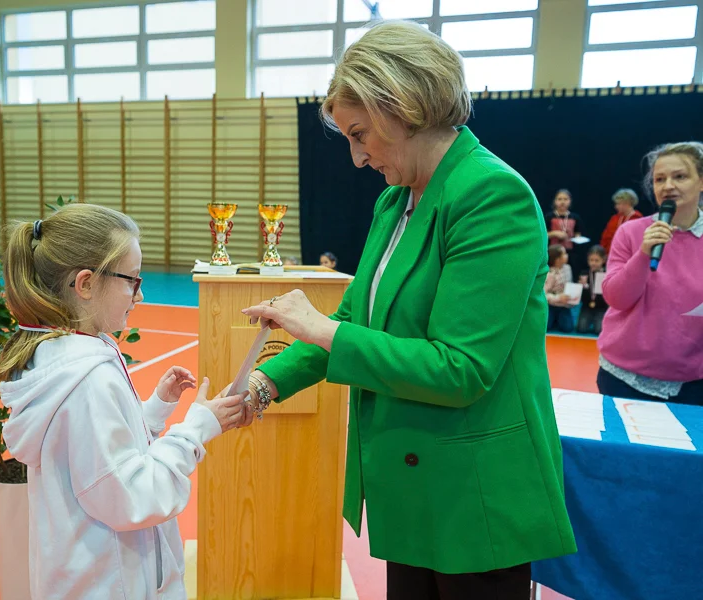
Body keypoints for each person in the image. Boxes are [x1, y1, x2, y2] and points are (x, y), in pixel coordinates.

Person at [239, 22, 575, 600]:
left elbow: (461, 367)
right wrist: (265, 382)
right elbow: (353, 322)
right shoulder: (396, 200)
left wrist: (322, 329)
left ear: (403, 107)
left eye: (360, 133)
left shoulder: (490, 195)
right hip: (412, 481)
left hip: (473, 494)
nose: (356, 156)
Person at [0, 203, 252, 599]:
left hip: (90, 576)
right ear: (85, 284)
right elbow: (132, 497)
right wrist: (198, 427)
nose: (141, 293)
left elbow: (95, 457)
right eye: (132, 279)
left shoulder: (67, 356)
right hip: (112, 584)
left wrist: (153, 411)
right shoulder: (88, 379)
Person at [597, 142, 703, 404]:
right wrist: (644, 253)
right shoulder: (632, 232)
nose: (668, 185)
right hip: (623, 378)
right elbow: (616, 298)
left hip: (692, 382)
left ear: (701, 182)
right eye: (659, 179)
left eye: (680, 176)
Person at [545, 189, 586, 274]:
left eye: (565, 199)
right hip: (553, 253)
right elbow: (543, 234)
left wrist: (577, 237)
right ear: (555, 201)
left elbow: (578, 233)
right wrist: (554, 233)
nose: (562, 202)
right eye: (559, 199)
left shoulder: (575, 217)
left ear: (570, 201)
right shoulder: (549, 217)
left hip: (570, 253)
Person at [576, 245, 608, 335]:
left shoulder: (606, 274)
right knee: (581, 328)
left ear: (603, 260)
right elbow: (579, 294)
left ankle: (598, 320)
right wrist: (580, 286)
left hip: (601, 308)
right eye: (591, 260)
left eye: (596, 260)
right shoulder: (584, 274)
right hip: (587, 306)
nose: (593, 263)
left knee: (599, 330)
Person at [545, 245, 577, 333]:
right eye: (564, 254)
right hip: (551, 305)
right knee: (546, 326)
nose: (567, 255)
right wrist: (558, 298)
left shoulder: (568, 268)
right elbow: (543, 294)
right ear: (557, 259)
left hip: (564, 306)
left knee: (568, 328)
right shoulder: (550, 274)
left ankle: (558, 319)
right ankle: (553, 318)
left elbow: (570, 284)